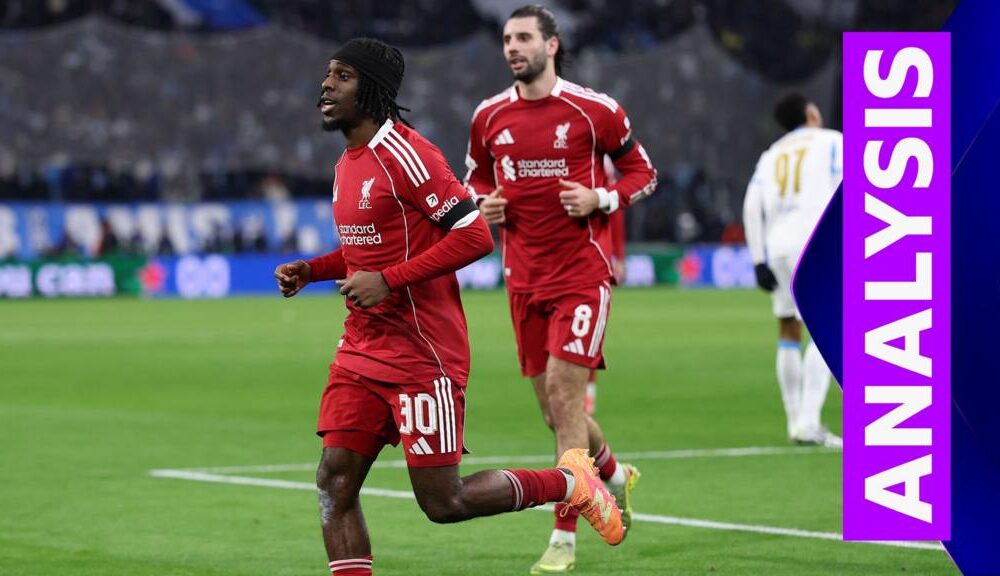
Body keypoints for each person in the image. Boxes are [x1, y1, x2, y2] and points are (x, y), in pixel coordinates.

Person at [274, 38, 625, 576]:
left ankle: (570, 483)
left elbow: (474, 235)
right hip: (362, 349)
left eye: (342, 76)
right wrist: (315, 269)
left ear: (371, 90)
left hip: (422, 355)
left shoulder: (408, 155)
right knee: (334, 480)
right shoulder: (348, 162)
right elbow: (372, 250)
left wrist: (388, 281)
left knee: (444, 502)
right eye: (328, 74)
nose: (326, 84)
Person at [463, 7, 656, 573]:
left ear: (551, 45)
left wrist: (601, 199)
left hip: (581, 275)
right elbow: (474, 177)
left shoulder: (594, 110)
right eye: (507, 39)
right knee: (554, 412)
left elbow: (643, 173)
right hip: (522, 280)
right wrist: (482, 202)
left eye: (524, 37)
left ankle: (563, 536)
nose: (512, 47)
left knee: (565, 396)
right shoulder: (488, 115)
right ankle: (614, 473)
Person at [742, 92, 843, 448]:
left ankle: (794, 420)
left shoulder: (771, 154)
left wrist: (758, 257)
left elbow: (751, 206)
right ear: (811, 112)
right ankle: (809, 422)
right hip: (815, 243)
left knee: (788, 328)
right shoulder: (832, 141)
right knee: (829, 329)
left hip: (778, 247)